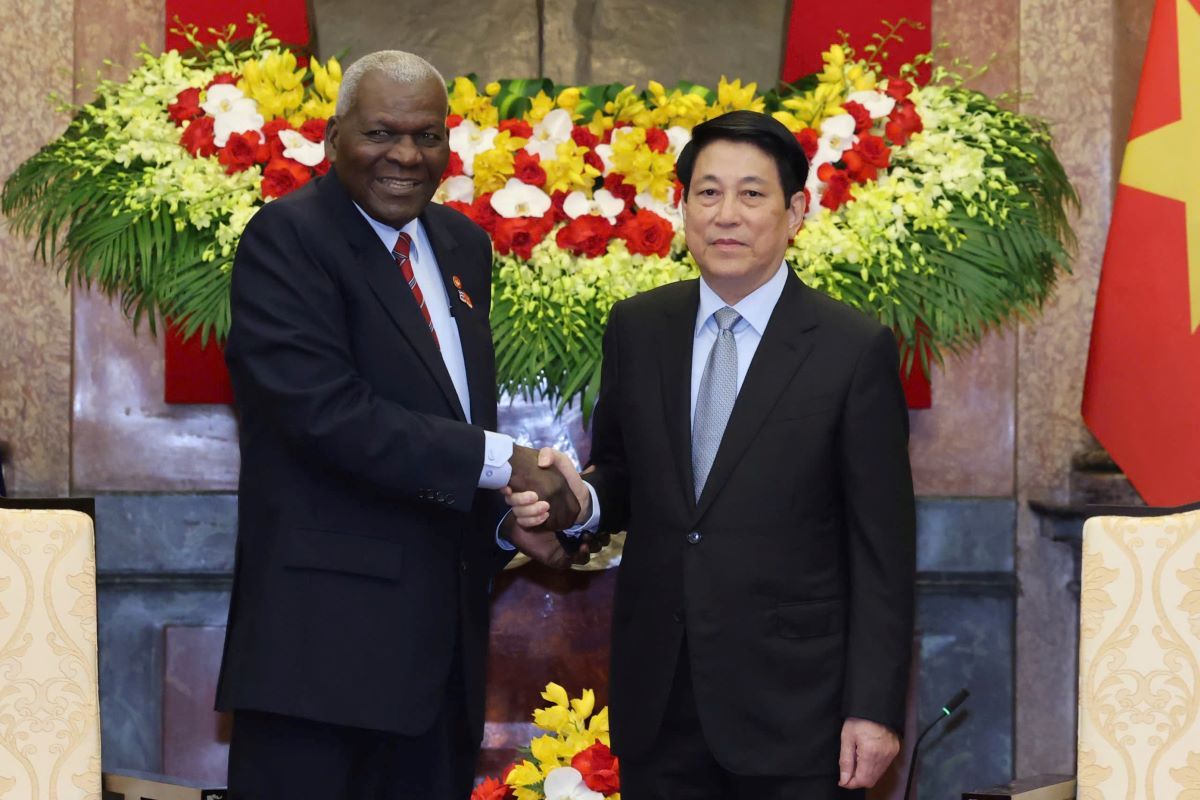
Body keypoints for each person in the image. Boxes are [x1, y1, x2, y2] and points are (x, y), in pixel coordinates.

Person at [508, 110, 916, 799]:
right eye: (708, 192)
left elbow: (883, 549)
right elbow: (624, 475)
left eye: (752, 194)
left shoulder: (851, 349)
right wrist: (580, 500)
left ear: (796, 212)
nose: (727, 214)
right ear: (683, 206)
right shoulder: (640, 327)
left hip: (796, 709)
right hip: (660, 700)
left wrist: (873, 708)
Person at [216, 50, 582, 800]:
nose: (407, 156)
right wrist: (506, 460)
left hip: (438, 669)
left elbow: (444, 420)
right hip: (319, 665)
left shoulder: (461, 245)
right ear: (333, 136)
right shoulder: (288, 238)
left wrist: (507, 526)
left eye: (427, 136)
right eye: (381, 133)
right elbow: (326, 414)